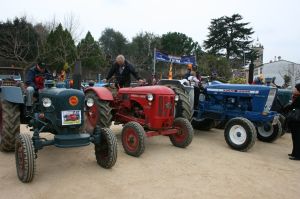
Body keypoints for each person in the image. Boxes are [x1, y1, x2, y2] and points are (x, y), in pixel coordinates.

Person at [284, 83, 300, 160]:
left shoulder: (298, 99)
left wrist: (283, 109)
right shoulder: (296, 97)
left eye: (296, 89)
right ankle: (294, 153)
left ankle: (297, 155)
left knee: (297, 138)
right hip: (296, 121)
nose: (294, 90)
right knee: (295, 137)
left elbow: (291, 106)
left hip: (297, 121)